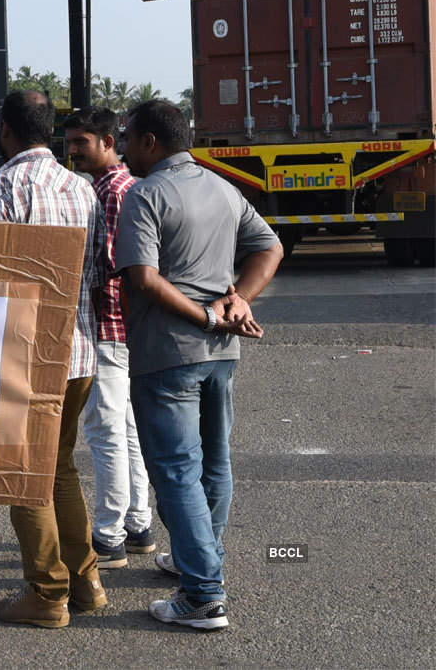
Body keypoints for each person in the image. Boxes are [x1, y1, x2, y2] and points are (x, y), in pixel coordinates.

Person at [114, 99, 282, 631]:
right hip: (222, 355)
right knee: (214, 462)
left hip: (168, 353)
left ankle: (203, 595)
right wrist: (240, 302)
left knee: (177, 471)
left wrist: (209, 315)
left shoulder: (145, 195)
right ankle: (198, 560)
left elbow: (143, 277)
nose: (123, 150)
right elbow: (269, 248)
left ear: (150, 142)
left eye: (128, 139)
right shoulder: (223, 188)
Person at [0, 90, 107, 629]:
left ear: (5, 129)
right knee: (60, 468)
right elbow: (96, 275)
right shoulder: (83, 190)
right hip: (78, 351)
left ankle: (47, 594)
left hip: (24, 355)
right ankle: (87, 583)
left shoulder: (1, 188)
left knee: (23, 473)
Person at [64, 107, 155, 570]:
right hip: (119, 326)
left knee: (105, 432)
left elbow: (115, 267)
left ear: (108, 141)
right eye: (71, 143)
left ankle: (109, 535)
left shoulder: (113, 191)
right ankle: (138, 524)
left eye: (82, 142)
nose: (74, 151)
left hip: (106, 323)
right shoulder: (108, 187)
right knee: (126, 430)